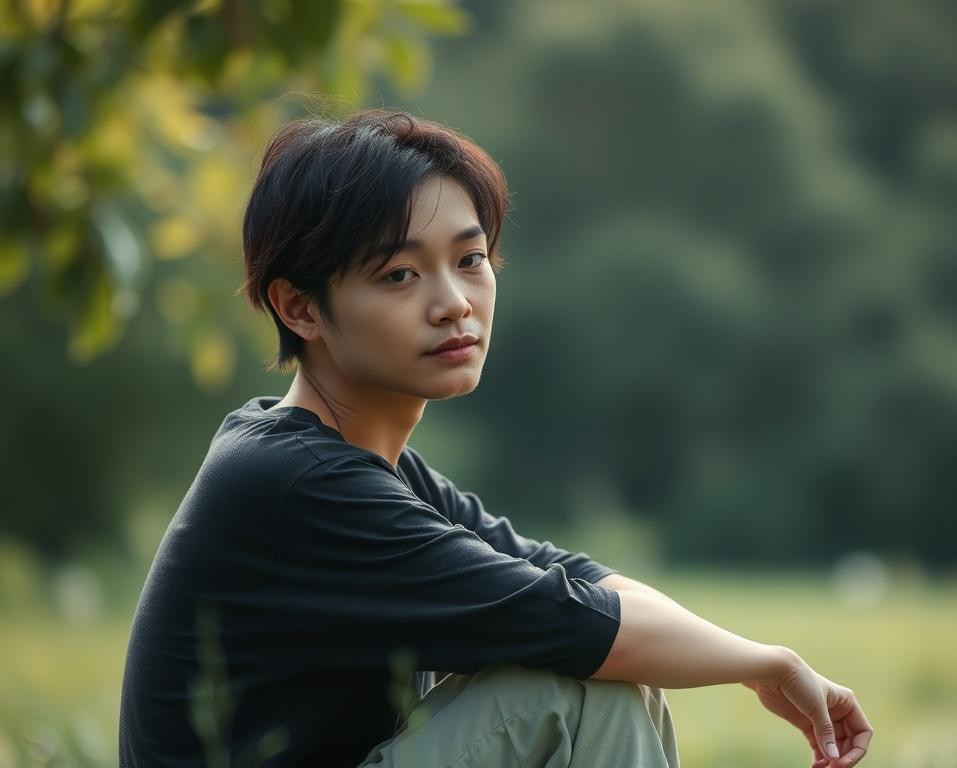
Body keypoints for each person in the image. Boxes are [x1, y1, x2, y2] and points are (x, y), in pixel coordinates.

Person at [118, 108, 873, 768]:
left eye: (469, 260)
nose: (454, 304)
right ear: (301, 308)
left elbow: (569, 577)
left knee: (595, 684)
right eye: (398, 275)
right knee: (565, 693)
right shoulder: (296, 483)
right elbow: (572, 624)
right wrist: (765, 665)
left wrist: (758, 660)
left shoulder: (365, 466)